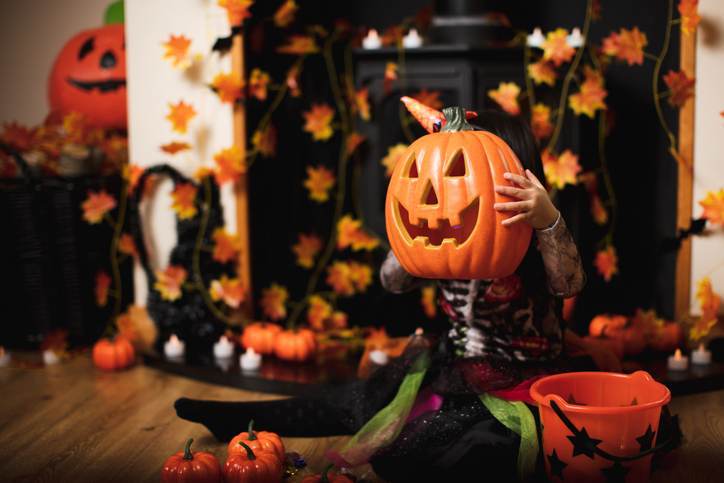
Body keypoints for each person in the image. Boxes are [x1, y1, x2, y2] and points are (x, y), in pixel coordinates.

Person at [175, 110, 621, 481]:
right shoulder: (457, 239)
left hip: (518, 383)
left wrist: (548, 222)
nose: (452, 185)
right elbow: (393, 281)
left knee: (430, 446)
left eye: (464, 169)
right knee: (356, 400)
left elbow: (570, 284)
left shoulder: (539, 237)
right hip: (454, 368)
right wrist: (414, 229)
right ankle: (245, 423)